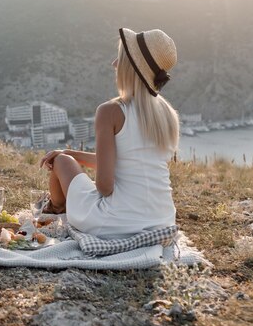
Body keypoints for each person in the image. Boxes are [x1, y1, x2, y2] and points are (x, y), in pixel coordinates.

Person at [39, 28, 180, 239]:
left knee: (61, 161)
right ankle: (57, 206)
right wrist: (73, 153)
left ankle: (57, 207)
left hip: (114, 223)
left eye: (120, 58)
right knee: (66, 156)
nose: (114, 63)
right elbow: (124, 161)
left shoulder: (110, 111)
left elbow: (105, 187)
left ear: (130, 67)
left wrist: (65, 157)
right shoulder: (167, 114)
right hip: (162, 220)